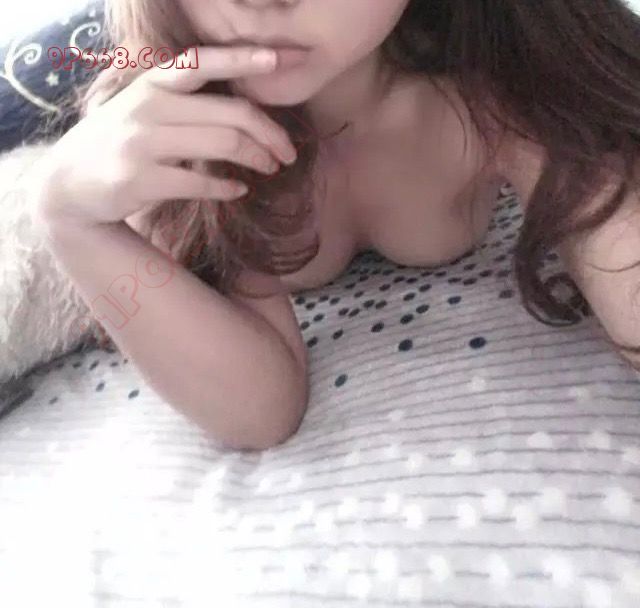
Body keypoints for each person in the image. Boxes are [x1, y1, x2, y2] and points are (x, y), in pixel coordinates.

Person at [31, 0, 640, 450]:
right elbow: (259, 412)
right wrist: (70, 220)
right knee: (43, 71)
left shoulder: (496, 90)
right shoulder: (173, 126)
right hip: (97, 51)